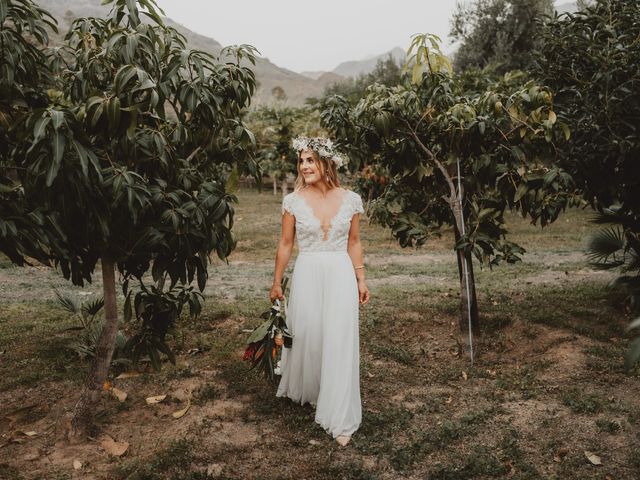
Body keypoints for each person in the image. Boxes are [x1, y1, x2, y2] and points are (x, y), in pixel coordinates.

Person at [269, 136, 370, 446]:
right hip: (308, 273)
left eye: (310, 159)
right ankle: (314, 389)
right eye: (301, 161)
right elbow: (286, 244)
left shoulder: (351, 199)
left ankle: (339, 414)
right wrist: (276, 282)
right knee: (311, 335)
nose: (304, 166)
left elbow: (353, 242)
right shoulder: (294, 201)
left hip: (340, 273)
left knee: (339, 338)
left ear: (327, 163)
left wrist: (361, 280)